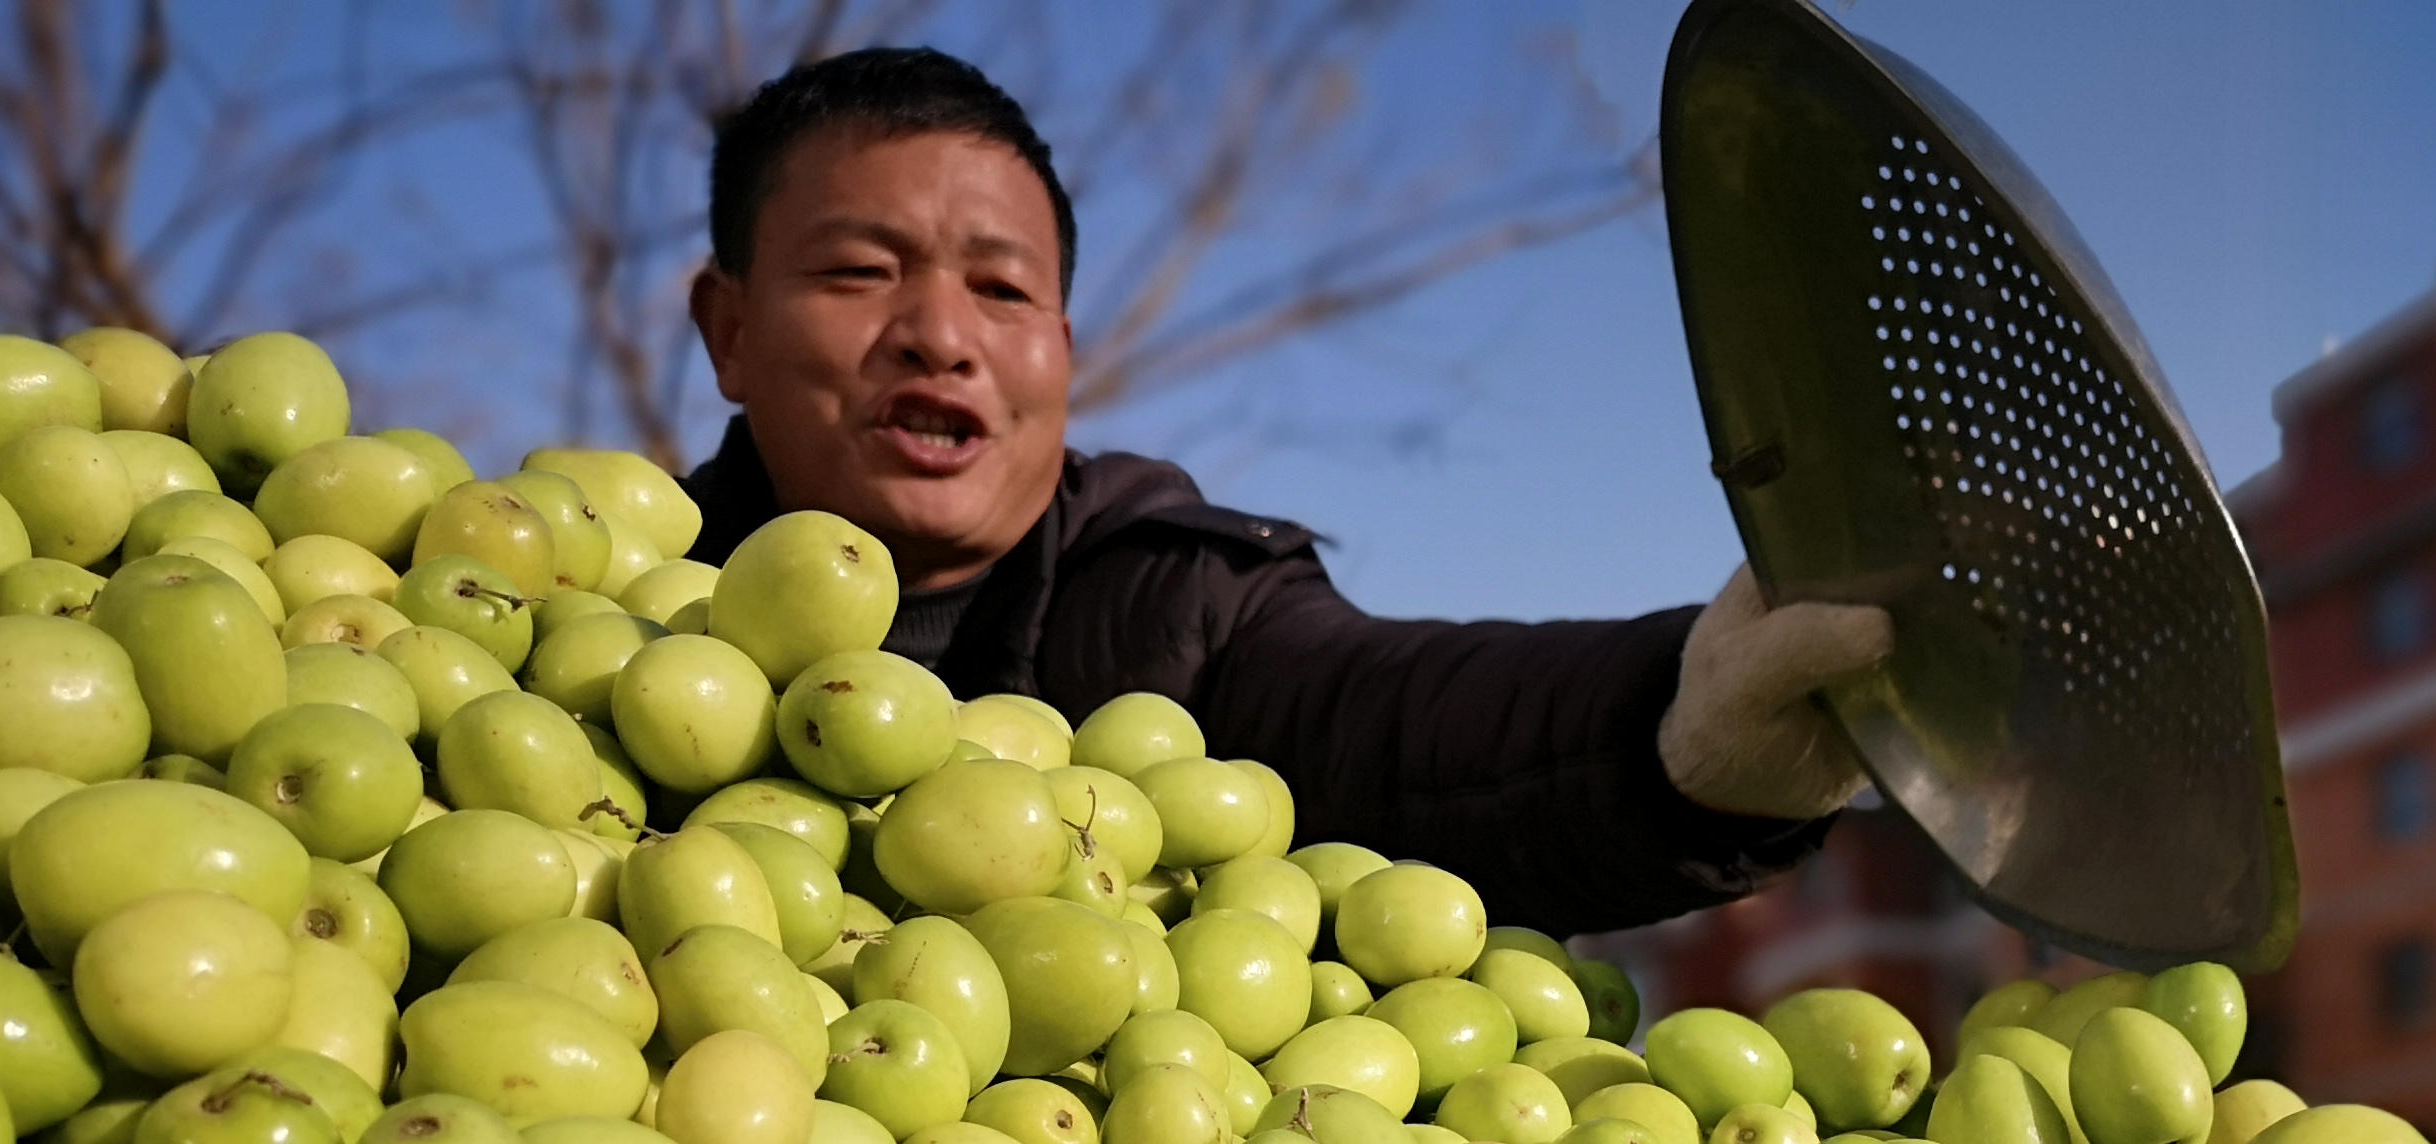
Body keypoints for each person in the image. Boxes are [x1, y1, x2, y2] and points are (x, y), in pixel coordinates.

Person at [680, 46, 1889, 938]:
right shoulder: (623, 610)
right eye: (860, 270)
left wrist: (1675, 720)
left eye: (1002, 291)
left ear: (1063, 349)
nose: (942, 338)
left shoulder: (1178, 599)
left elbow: (1395, 722)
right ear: (728, 329)